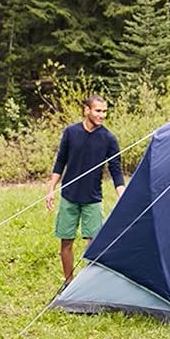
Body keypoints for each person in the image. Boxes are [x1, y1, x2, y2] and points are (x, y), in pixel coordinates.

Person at [45, 93, 125, 284]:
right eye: (98, 111)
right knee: (66, 242)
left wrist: (122, 194)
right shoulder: (71, 132)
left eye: (105, 111)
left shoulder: (108, 139)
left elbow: (116, 171)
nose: (102, 115)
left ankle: (89, 286)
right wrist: (50, 190)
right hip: (69, 197)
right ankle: (68, 283)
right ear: (86, 110)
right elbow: (60, 162)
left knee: (93, 245)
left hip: (93, 199)